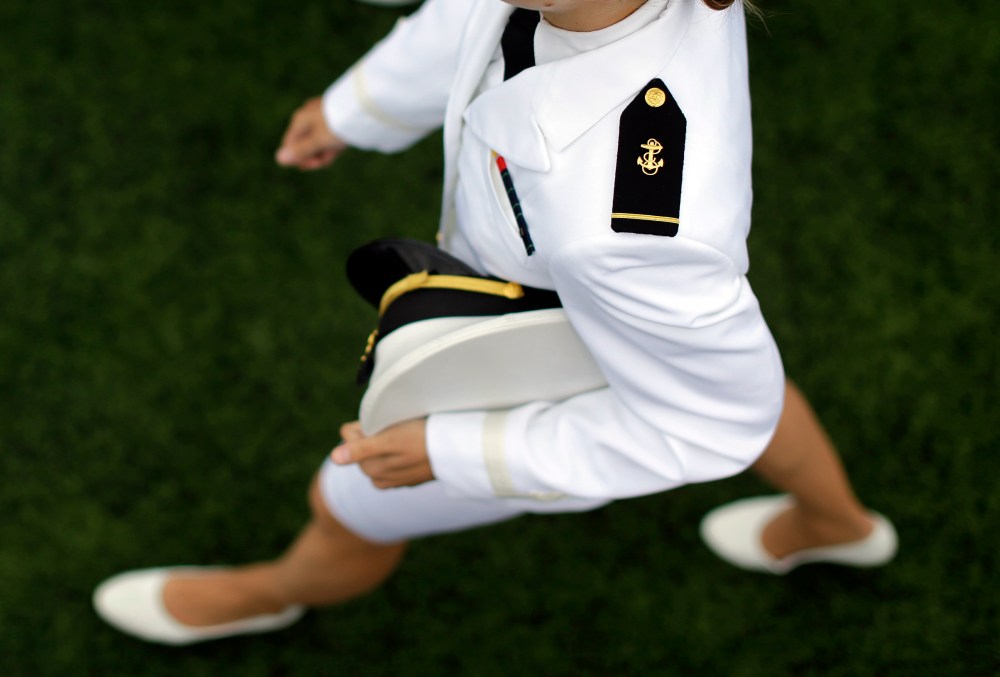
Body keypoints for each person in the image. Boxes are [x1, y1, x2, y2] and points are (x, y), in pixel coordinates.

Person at [93, 0, 897, 645]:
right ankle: (836, 523)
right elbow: (471, 19)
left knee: (350, 499)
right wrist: (358, 106)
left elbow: (712, 422)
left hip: (545, 342)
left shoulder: (627, 231)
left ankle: (265, 593)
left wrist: (453, 448)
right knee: (699, 362)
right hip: (609, 304)